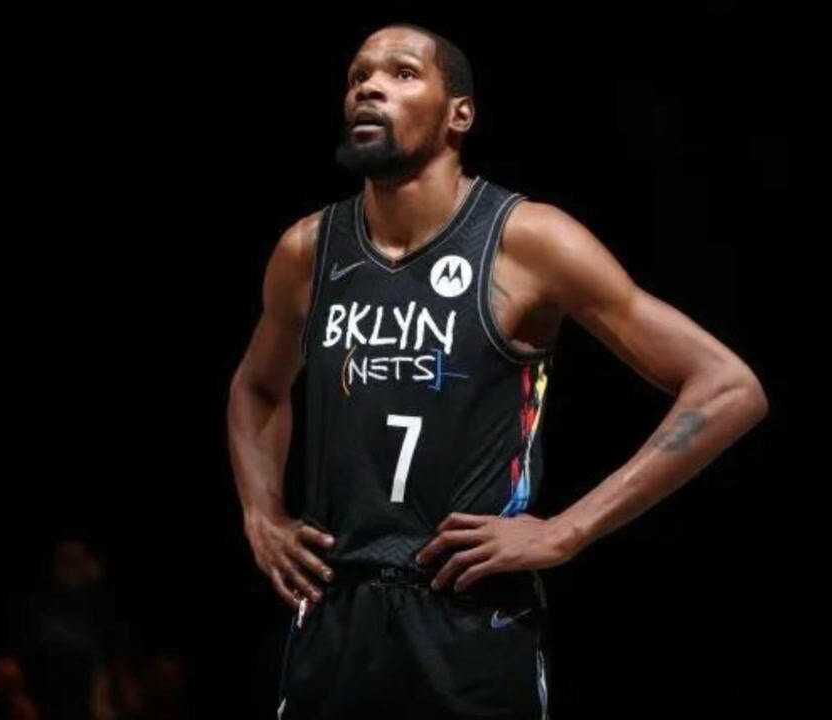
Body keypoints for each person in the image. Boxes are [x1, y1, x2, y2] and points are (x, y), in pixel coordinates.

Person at [227, 22, 769, 719]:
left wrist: (568, 530)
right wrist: (261, 514)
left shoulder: (527, 241)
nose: (369, 87)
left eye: (401, 73)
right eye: (359, 76)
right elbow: (257, 388)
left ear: (459, 115)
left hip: (470, 619)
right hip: (336, 613)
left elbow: (728, 388)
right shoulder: (308, 250)